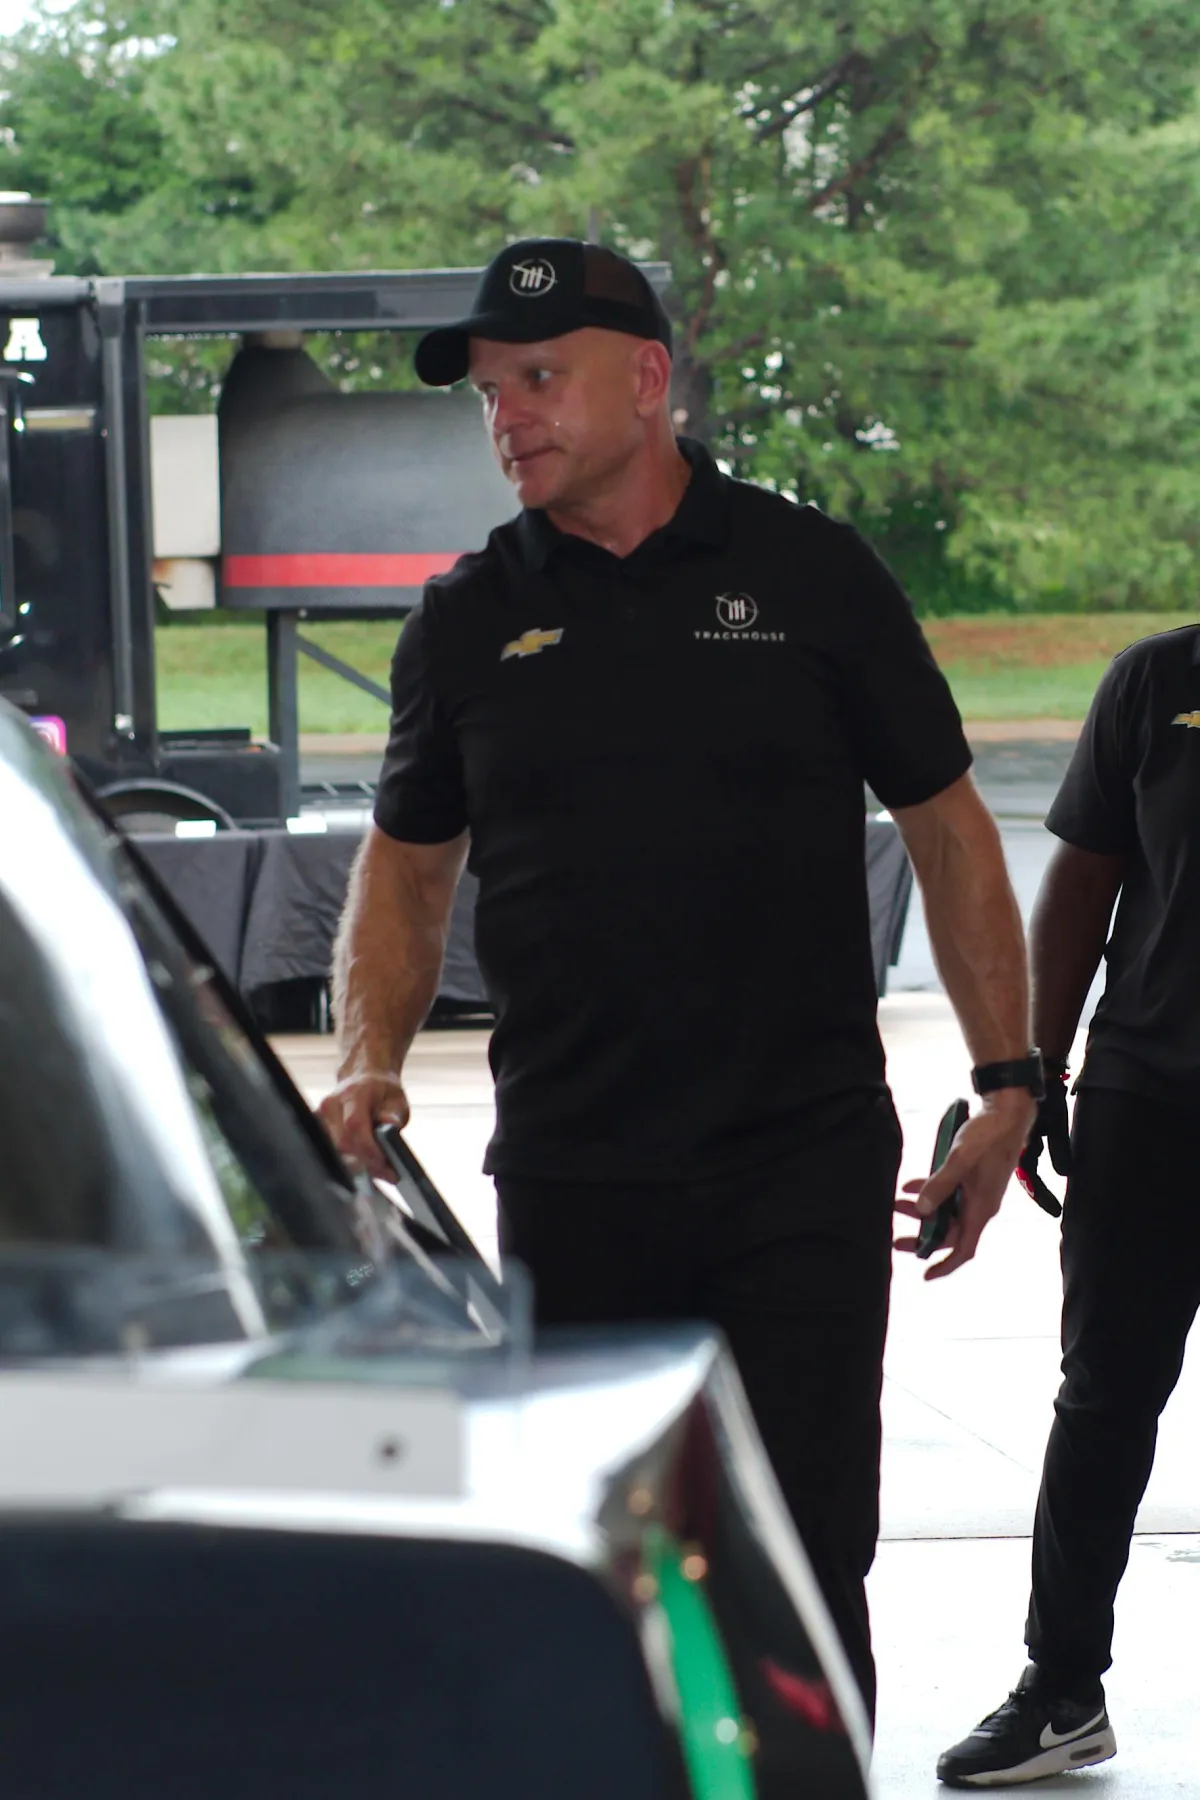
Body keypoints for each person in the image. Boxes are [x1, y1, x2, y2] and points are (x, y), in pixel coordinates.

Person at [319, 236, 1038, 1723]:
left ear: (647, 381)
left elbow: (954, 833)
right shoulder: (465, 617)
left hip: (798, 1171)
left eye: (538, 379)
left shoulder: (812, 575)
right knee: (602, 1572)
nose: (506, 414)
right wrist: (365, 1050)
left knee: (803, 1563)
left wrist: (1009, 1080)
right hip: (577, 1184)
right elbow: (404, 863)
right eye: (488, 394)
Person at [937, 623, 1200, 1787]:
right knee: (1105, 1398)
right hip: (1153, 1097)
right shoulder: (1160, 680)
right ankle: (1062, 1690)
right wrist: (1027, 1074)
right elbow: (1081, 884)